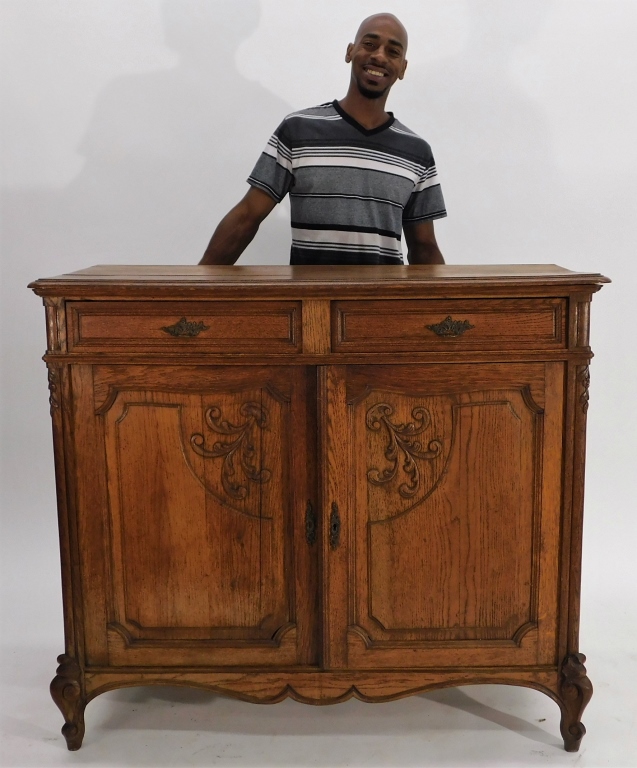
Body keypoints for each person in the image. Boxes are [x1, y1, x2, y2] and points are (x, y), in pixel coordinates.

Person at [200, 13, 446, 266]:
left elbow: (424, 247)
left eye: (393, 51)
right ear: (350, 52)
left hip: (381, 304)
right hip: (313, 304)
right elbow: (247, 216)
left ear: (403, 68)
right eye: (370, 44)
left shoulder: (417, 152)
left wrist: (448, 304)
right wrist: (196, 289)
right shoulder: (298, 131)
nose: (380, 56)